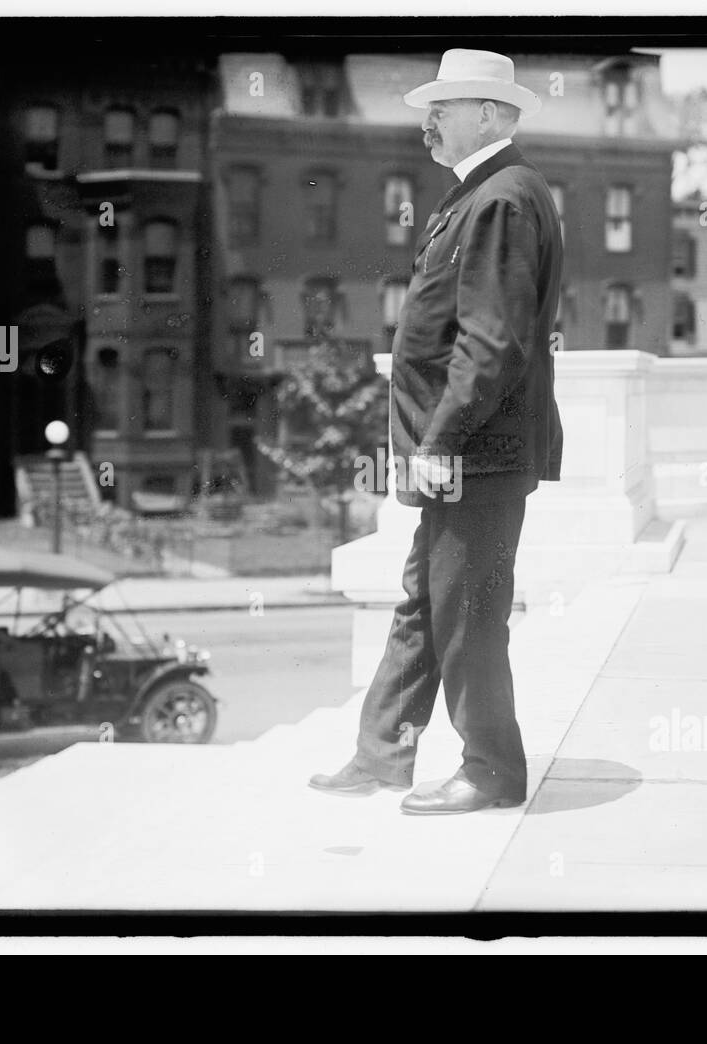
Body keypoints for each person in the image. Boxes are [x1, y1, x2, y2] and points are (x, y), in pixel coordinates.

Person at [310, 49, 564, 815]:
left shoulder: (500, 201)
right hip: (462, 453)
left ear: (490, 114)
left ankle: (491, 769)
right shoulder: (480, 195)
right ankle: (383, 751)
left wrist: (438, 444)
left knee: (469, 613)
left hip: (473, 454)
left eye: (445, 106)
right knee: (427, 599)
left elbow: (492, 345)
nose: (429, 120)